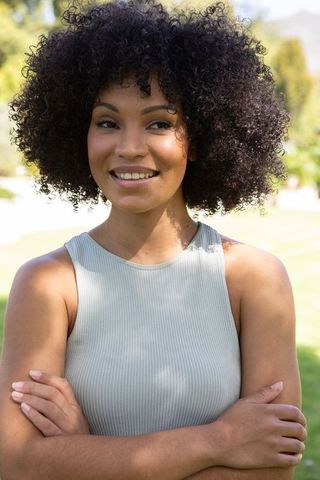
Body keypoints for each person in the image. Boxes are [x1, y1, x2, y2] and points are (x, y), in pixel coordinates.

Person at [0, 1, 307, 479]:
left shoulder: (254, 280)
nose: (128, 147)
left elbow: (270, 468)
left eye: (159, 122)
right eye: (106, 122)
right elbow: (18, 465)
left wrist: (82, 454)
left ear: (201, 135)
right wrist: (219, 440)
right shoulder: (47, 285)